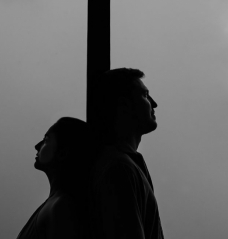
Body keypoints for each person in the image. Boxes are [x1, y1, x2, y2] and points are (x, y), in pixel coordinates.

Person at [86, 68, 164, 239]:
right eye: (145, 95)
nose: (154, 103)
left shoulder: (123, 164)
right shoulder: (119, 168)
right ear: (124, 105)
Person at [16, 117, 96, 239]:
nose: (37, 146)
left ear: (63, 152)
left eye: (46, 140)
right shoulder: (56, 203)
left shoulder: (61, 207)